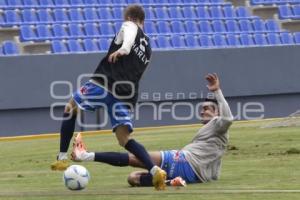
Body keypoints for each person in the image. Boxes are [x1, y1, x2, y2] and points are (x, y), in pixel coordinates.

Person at [50, 5, 167, 190]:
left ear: (129, 17)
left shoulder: (129, 25)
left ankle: (62, 158)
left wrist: (124, 49)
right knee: (124, 140)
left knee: (69, 109)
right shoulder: (149, 48)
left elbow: (128, 37)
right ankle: (154, 171)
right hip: (125, 95)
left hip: (104, 83)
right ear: (144, 21)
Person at [71, 73, 234, 187]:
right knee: (132, 178)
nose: (202, 111)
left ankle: (85, 155)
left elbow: (228, 118)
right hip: (192, 175)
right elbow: (214, 167)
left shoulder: (219, 124)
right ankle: (173, 182)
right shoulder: (217, 133)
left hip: (184, 161)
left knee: (134, 158)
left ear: (217, 113)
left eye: (207, 109)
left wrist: (217, 91)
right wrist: (209, 176)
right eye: (202, 108)